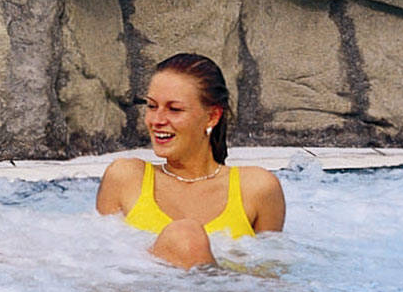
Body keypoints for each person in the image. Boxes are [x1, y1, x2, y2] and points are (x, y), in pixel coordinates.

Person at [96, 53, 286, 267]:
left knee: (186, 236)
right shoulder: (125, 178)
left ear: (212, 116)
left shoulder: (257, 188)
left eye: (174, 109)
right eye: (151, 106)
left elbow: (267, 283)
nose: (156, 120)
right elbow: (102, 269)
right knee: (185, 236)